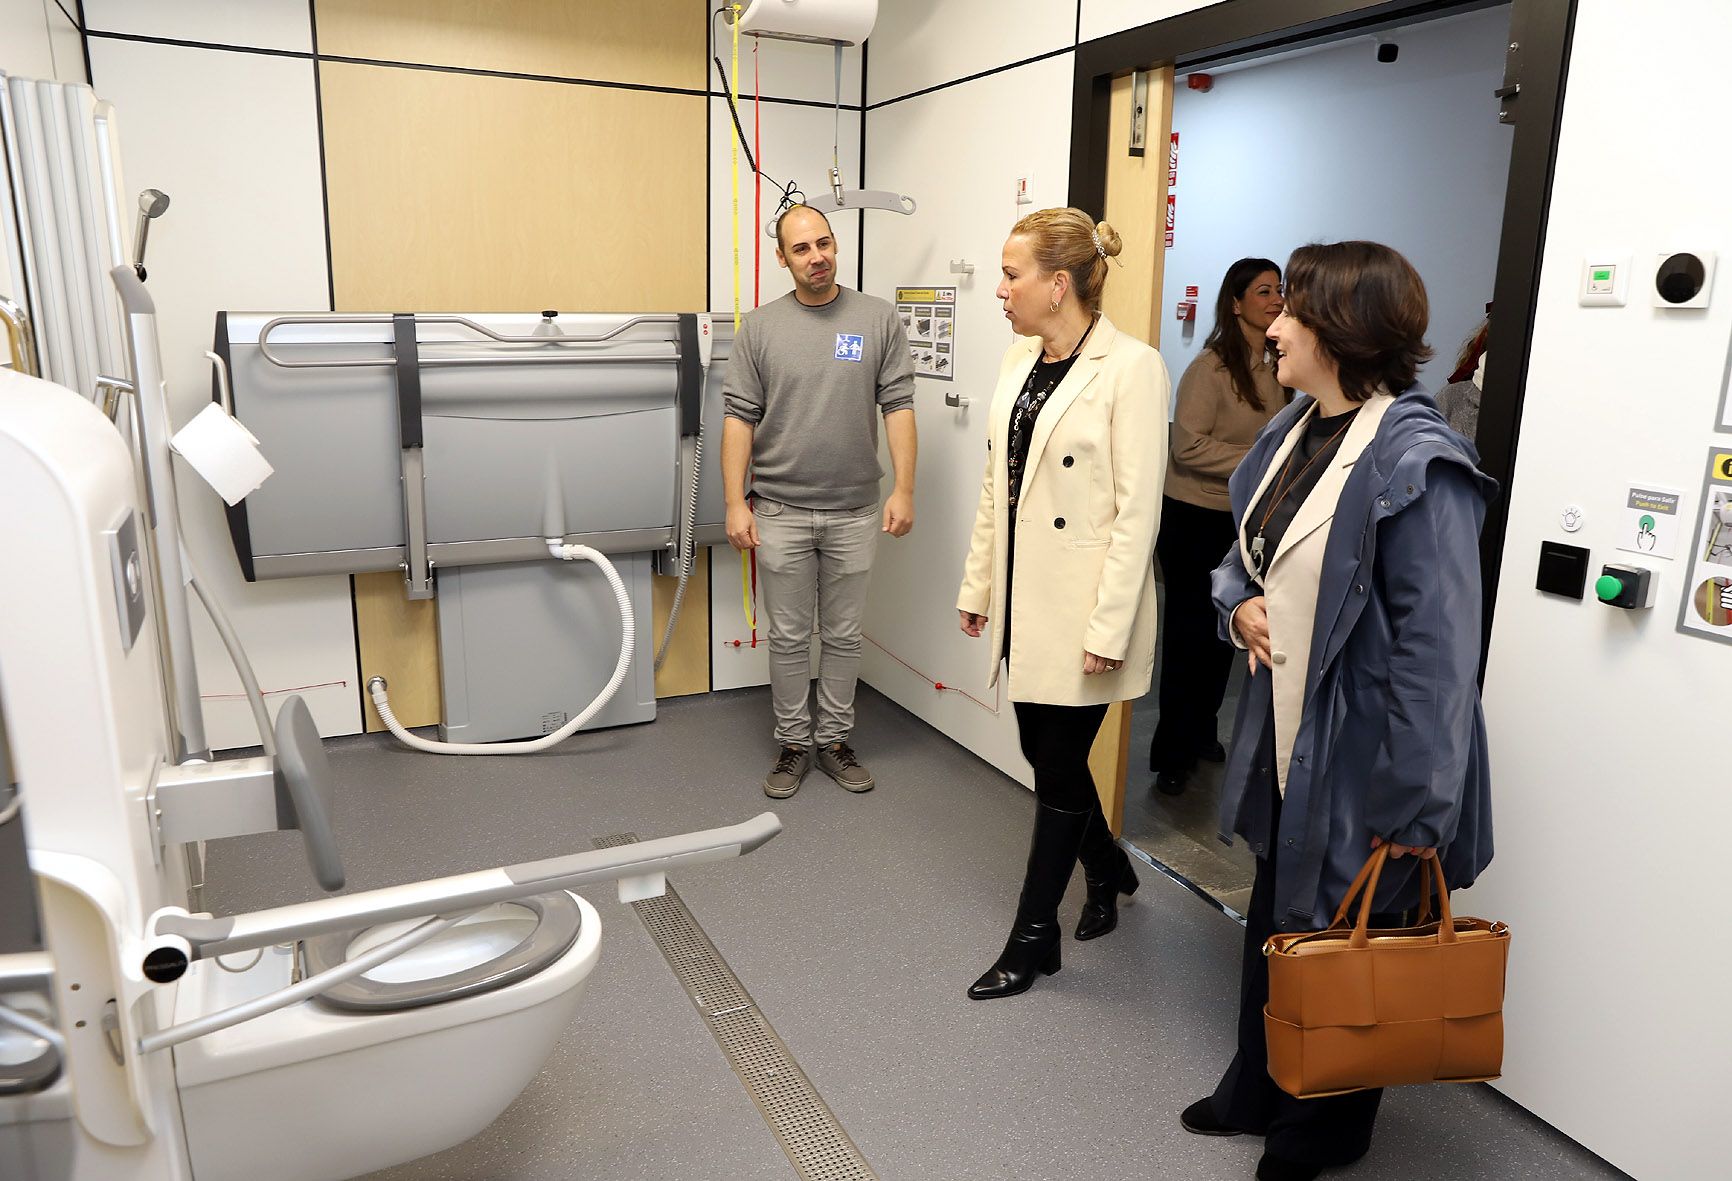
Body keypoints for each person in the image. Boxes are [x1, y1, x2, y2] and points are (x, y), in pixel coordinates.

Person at [1180, 241, 1495, 1181]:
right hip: (1294, 730)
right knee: (1282, 908)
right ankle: (1260, 1080)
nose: (1272, 325)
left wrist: (1415, 810)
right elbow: (1246, 553)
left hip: (1377, 750)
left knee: (1351, 928)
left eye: (1293, 311)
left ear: (1341, 331)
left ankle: (1325, 1128)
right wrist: (1236, 602)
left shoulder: (1421, 461)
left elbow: (1439, 661)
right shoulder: (1293, 432)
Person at [956, 208, 1170, 999]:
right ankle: (1109, 866)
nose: (1000, 289)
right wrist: (980, 585)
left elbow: (1137, 512)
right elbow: (997, 488)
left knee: (1052, 768)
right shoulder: (1019, 359)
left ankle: (1033, 935)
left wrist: (1109, 628)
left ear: (1058, 283)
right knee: (1046, 750)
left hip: (1085, 608)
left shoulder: (1132, 367)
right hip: (1023, 597)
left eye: (1011, 274)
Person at [722, 204, 917, 799]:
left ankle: (833, 740)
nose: (818, 257)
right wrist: (735, 502)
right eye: (802, 249)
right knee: (786, 635)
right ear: (782, 258)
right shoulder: (758, 328)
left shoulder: (877, 319)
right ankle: (793, 743)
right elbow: (738, 419)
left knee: (843, 633)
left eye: (825, 243)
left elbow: (899, 407)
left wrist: (904, 489)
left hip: (855, 508)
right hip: (778, 508)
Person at [1149, 258, 1289, 795]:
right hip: (1192, 518)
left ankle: (1202, 733)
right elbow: (1186, 446)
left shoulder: (1278, 366)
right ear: (1235, 303)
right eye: (1262, 291)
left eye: (1279, 290)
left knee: (1222, 637)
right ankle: (1171, 756)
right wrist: (1261, 458)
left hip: (1241, 520)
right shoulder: (1210, 369)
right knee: (1187, 638)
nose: (1275, 299)